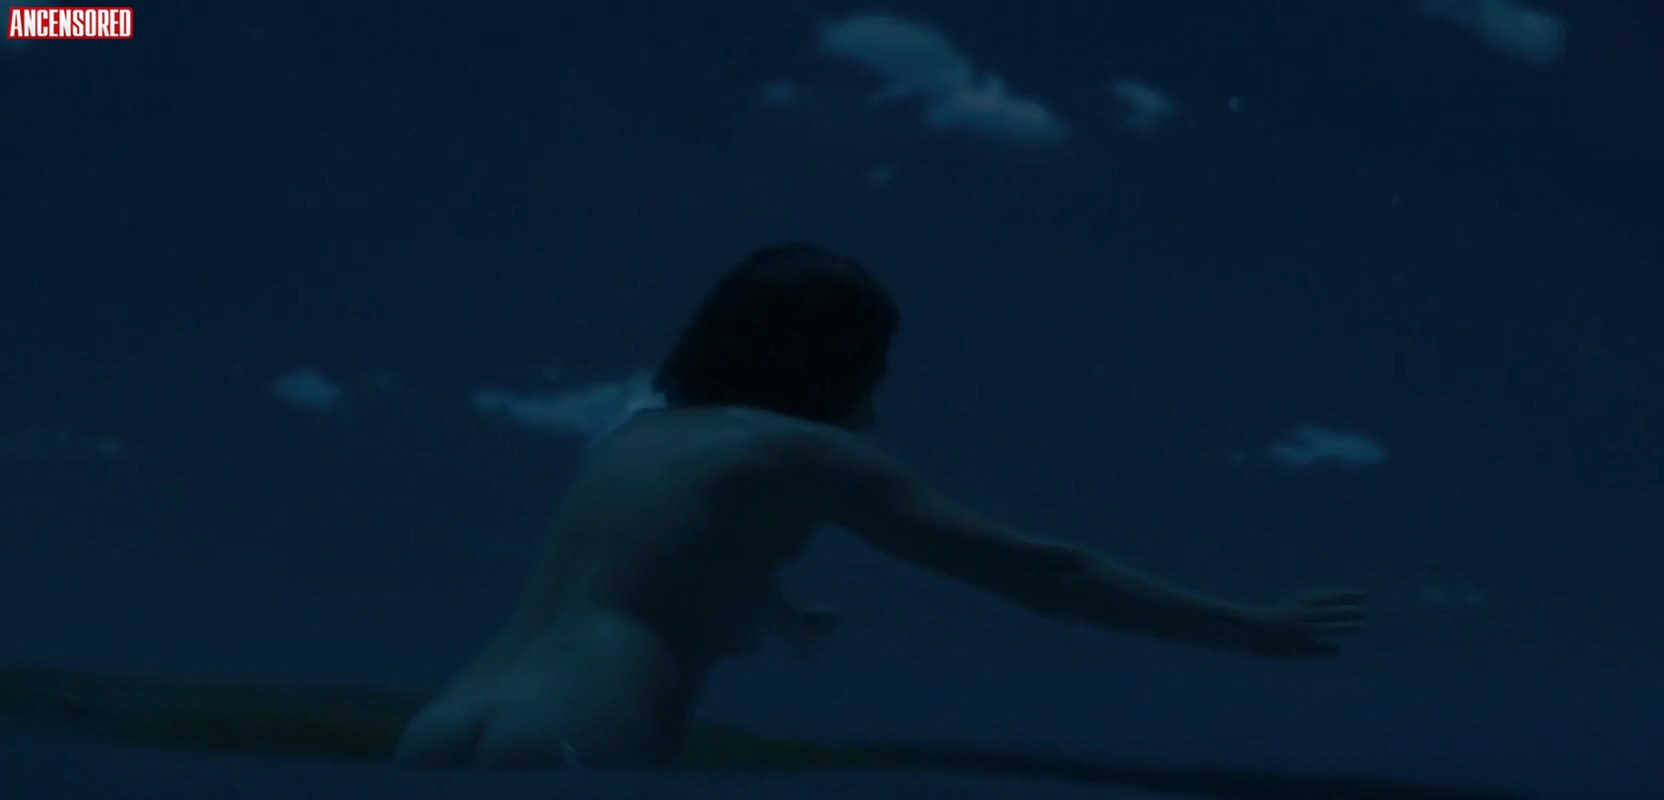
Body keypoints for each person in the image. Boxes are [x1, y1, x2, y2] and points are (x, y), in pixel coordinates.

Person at [392, 244, 1369, 769]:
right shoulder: (808, 453)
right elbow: (1042, 572)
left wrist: (781, 613)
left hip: (444, 725)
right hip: (581, 735)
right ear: (839, 361)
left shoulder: (634, 443)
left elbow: (653, 574)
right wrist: (1247, 628)